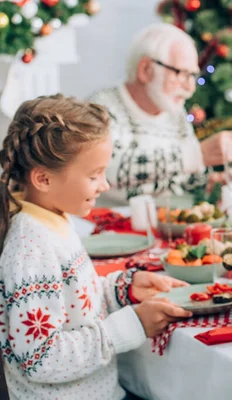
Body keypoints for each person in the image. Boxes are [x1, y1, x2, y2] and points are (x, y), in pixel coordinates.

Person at [0, 94, 193, 399]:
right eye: (94, 175)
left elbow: (72, 304)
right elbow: (39, 359)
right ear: (43, 179)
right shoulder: (30, 248)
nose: (105, 186)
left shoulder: (55, 218)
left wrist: (123, 288)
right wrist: (132, 326)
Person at [89, 23, 232, 204]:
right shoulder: (102, 108)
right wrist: (197, 154)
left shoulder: (175, 112)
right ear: (145, 70)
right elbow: (103, 170)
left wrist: (209, 180)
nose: (190, 88)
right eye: (180, 73)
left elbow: (183, 178)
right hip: (112, 226)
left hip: (168, 223)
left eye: (192, 76)